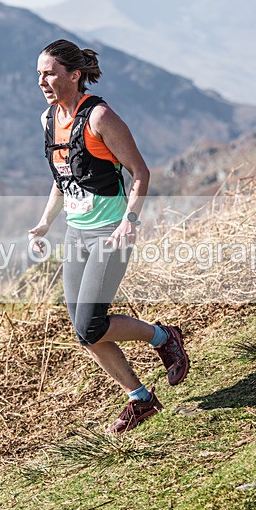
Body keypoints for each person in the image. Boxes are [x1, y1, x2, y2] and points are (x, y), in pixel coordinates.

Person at [28, 39, 190, 434]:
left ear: (74, 75)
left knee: (90, 325)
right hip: (76, 234)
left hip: (110, 232)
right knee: (85, 332)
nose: (42, 82)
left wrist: (130, 221)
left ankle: (163, 337)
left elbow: (140, 172)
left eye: (49, 74)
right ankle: (141, 399)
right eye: (39, 75)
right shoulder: (48, 119)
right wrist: (45, 223)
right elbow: (63, 179)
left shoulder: (100, 117)